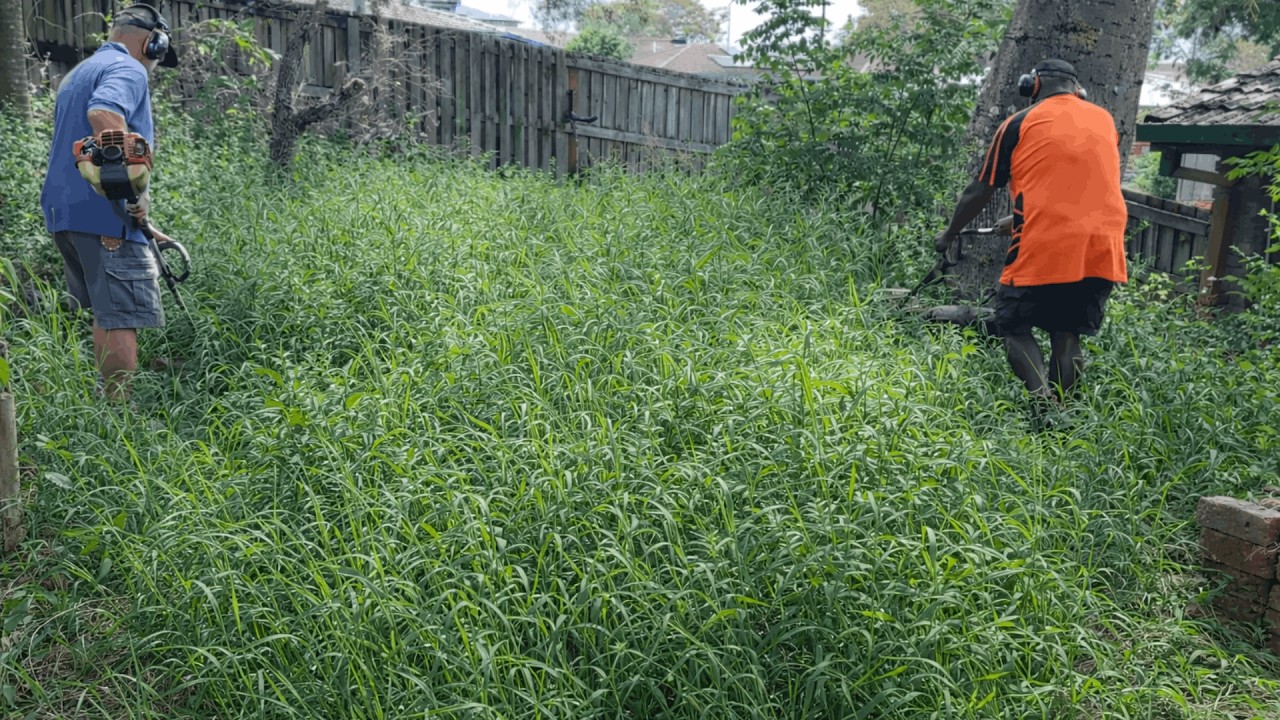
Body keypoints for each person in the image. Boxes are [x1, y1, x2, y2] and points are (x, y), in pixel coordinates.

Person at [933, 58, 1128, 414]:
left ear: (1032, 85)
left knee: (1012, 325)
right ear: (1077, 90)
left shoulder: (1018, 123)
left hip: (1046, 243)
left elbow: (980, 190)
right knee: (1066, 332)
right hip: (1101, 245)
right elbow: (1076, 181)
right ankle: (1064, 418)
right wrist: (1019, 215)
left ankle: (1042, 406)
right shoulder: (1104, 121)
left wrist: (949, 234)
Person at [40, 4, 179, 403]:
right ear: (151, 42)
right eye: (157, 54)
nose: (154, 64)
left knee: (106, 311)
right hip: (103, 216)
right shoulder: (130, 69)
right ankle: (118, 416)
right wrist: (132, 192)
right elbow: (103, 114)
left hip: (67, 212)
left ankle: (104, 409)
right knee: (121, 315)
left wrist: (141, 220)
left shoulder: (79, 72)